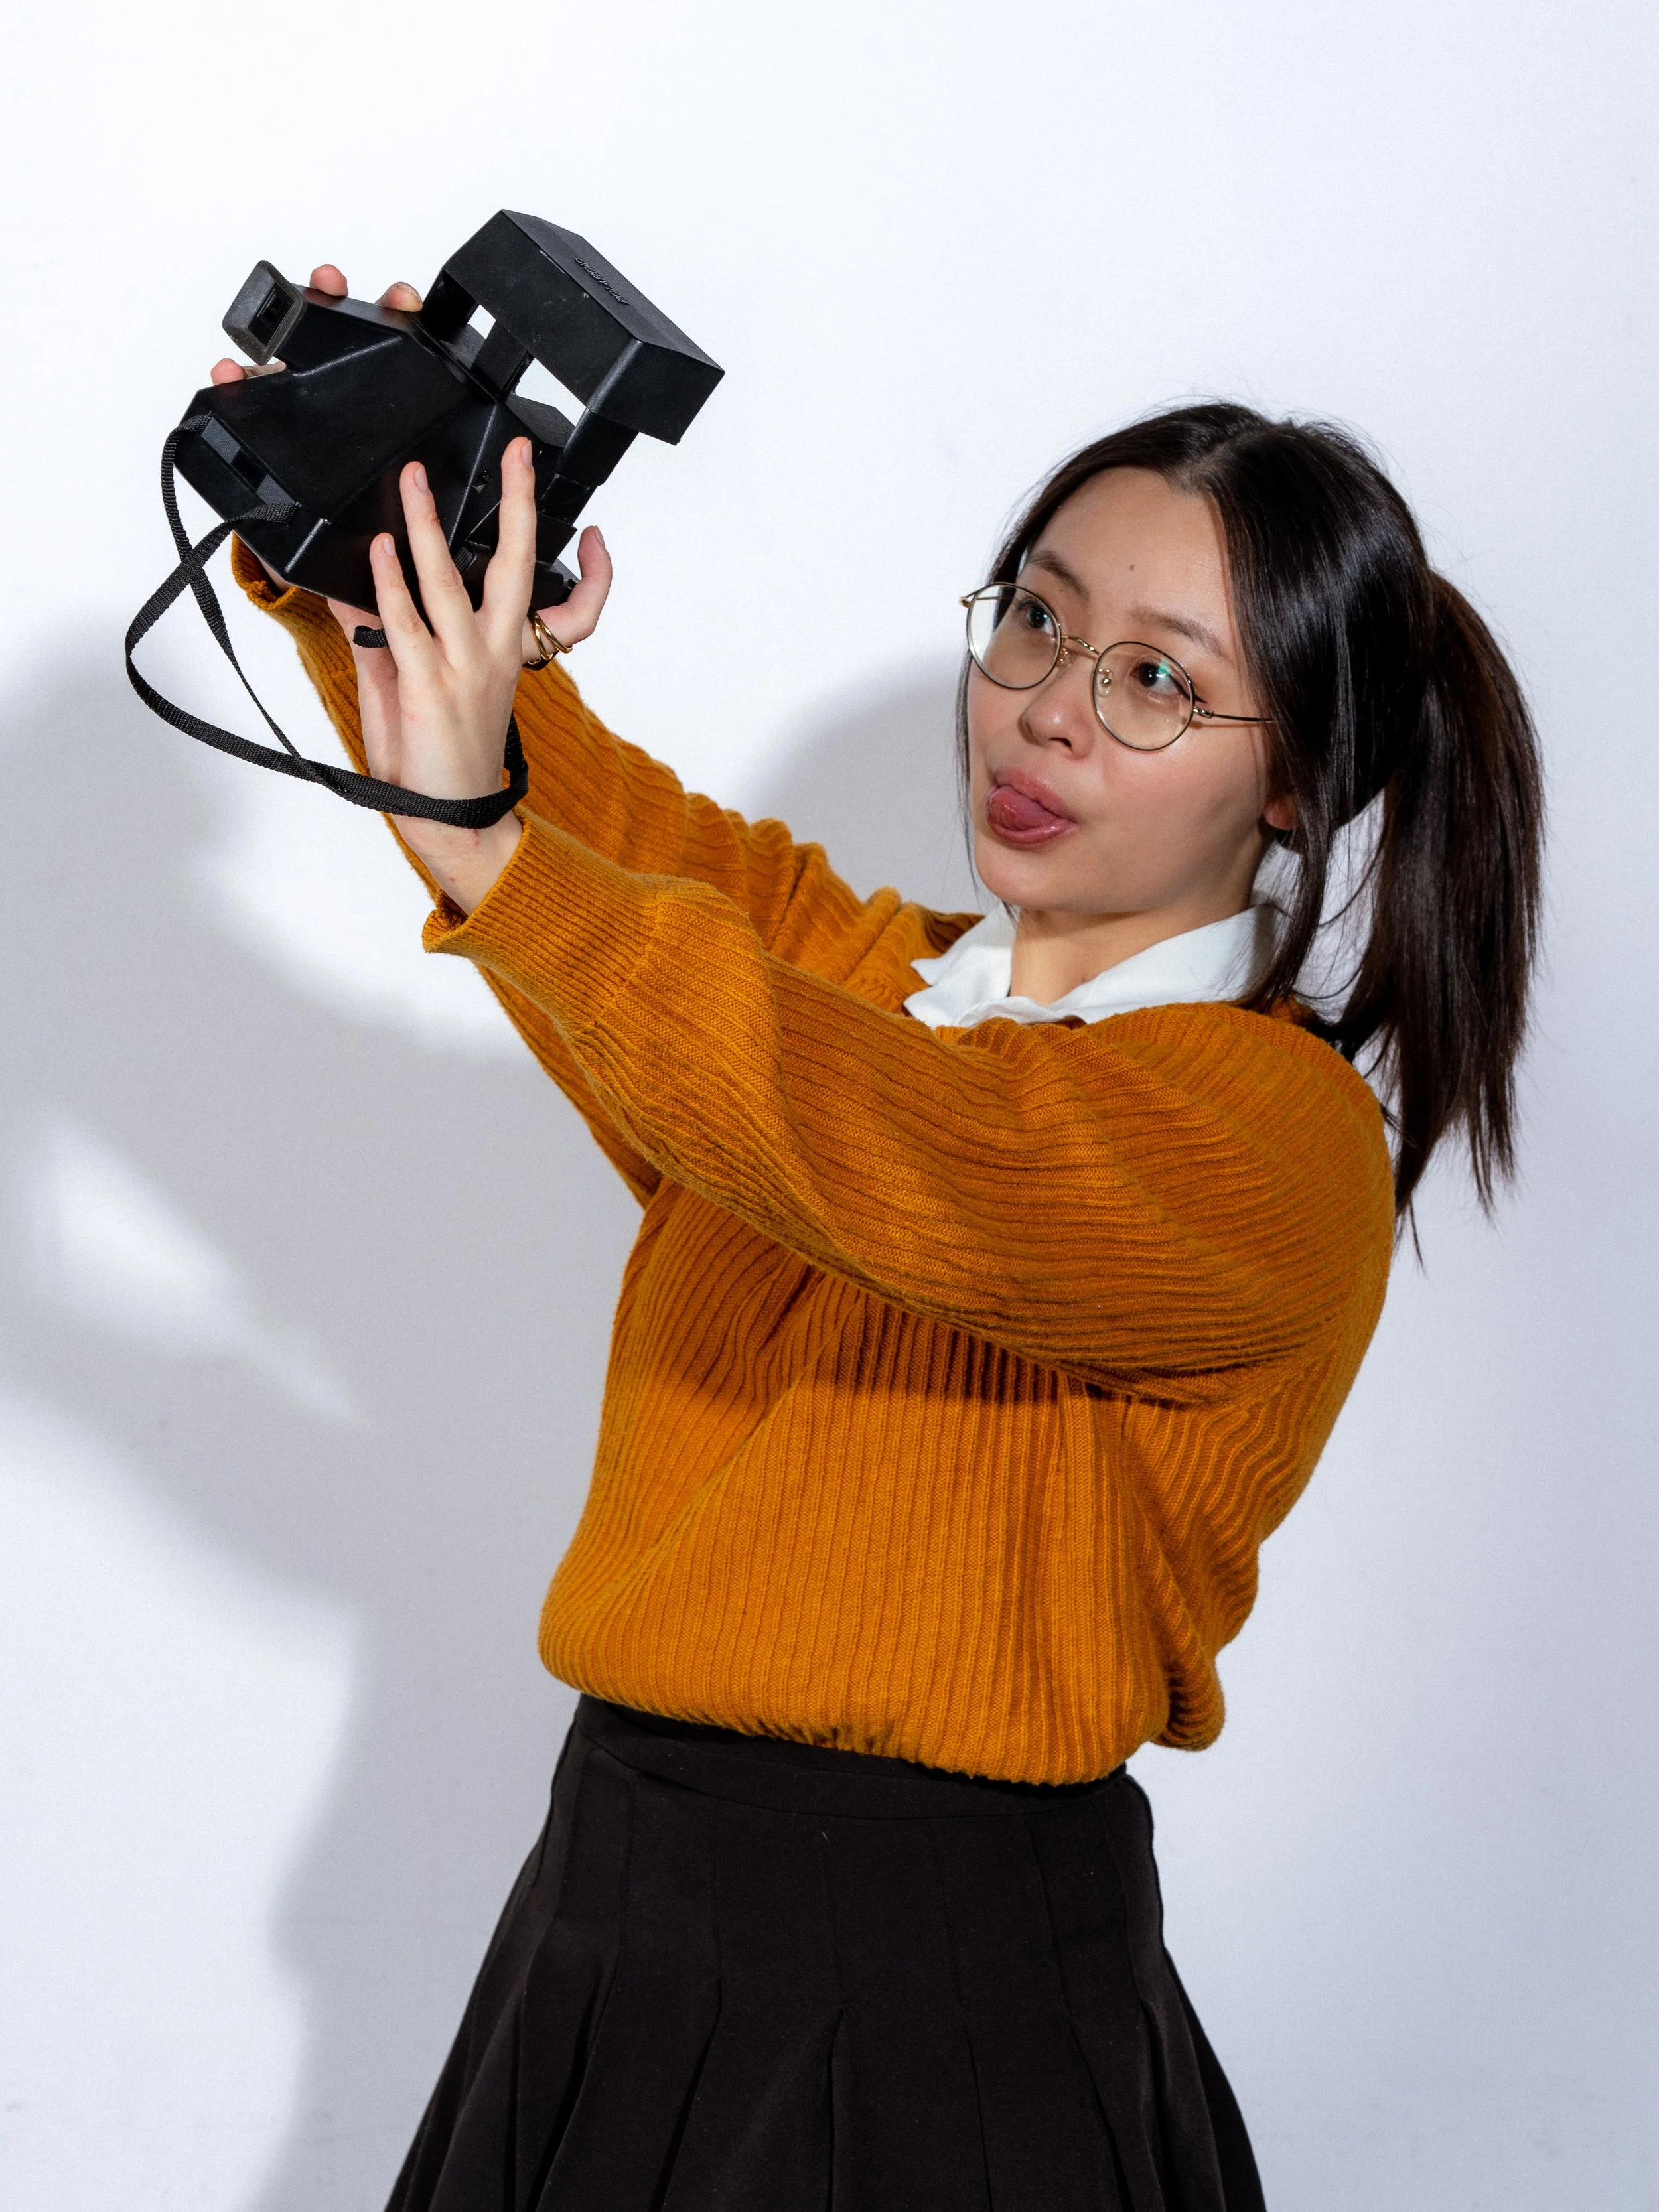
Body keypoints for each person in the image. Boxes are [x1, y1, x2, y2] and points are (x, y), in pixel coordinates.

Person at [210, 268, 1544, 2212]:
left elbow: (884, 1137)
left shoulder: (1268, 1141)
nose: (1046, 710)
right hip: (609, 1911)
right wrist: (372, 536)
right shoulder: (878, 981)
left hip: (934, 2002)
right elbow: (608, 862)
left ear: (1290, 778)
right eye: (1033, 619)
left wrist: (492, 838)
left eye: (1157, 676)